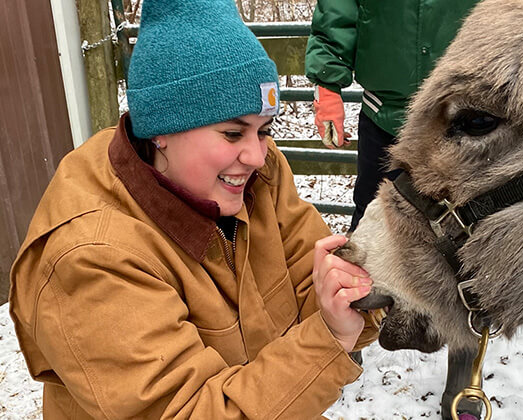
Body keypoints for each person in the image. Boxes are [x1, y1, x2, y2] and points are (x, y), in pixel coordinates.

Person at [8, 0, 378, 417]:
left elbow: (315, 288)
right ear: (162, 129)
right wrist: (327, 338)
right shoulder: (92, 257)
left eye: (263, 131)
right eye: (233, 132)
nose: (257, 154)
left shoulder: (258, 175)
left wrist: (360, 286)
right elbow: (189, 411)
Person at [305, 1, 481, 419]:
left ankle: (465, 365)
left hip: (465, 111)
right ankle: (347, 339)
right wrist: (328, 82)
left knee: (475, 239)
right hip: (385, 112)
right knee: (367, 222)